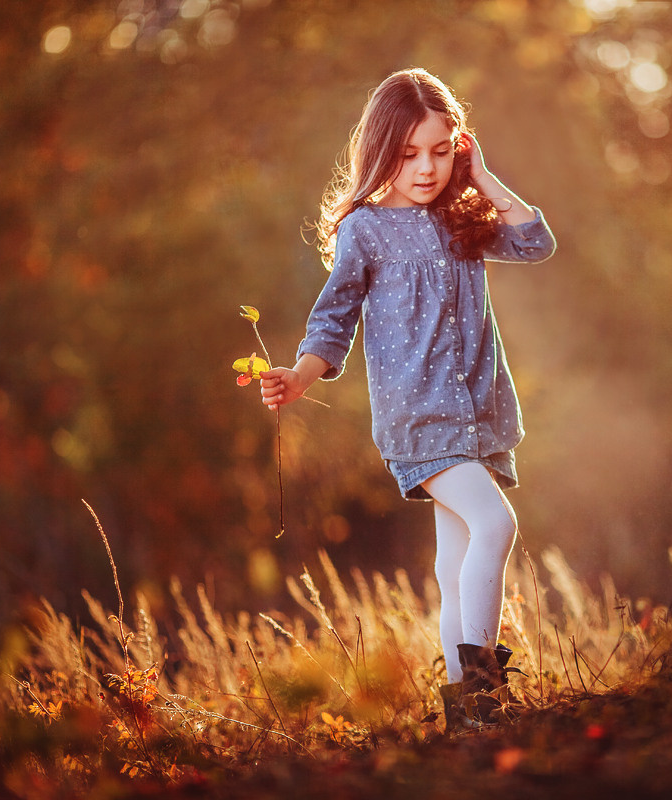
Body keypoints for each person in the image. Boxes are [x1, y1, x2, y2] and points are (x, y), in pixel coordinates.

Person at [259, 67, 555, 728]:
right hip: (418, 419)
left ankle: (468, 715)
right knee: (496, 525)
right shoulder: (365, 231)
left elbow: (536, 240)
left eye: (441, 150)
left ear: (460, 147)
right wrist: (300, 376)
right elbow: (332, 320)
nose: (425, 167)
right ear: (380, 151)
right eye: (408, 153)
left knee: (456, 565)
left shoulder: (462, 215)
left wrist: (482, 180)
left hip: (479, 412)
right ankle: (480, 691)